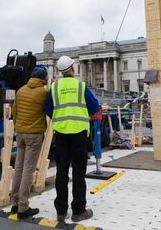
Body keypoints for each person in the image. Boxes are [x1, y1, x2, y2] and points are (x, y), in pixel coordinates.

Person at [45, 56, 99, 222]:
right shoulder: (81, 86)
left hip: (61, 134)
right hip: (79, 133)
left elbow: (48, 109)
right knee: (78, 172)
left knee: (61, 171)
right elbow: (94, 107)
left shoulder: (54, 87)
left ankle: (61, 212)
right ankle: (78, 211)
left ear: (60, 72)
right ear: (72, 69)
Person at [10, 66, 49, 219]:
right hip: (34, 134)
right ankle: (23, 207)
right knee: (28, 169)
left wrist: (18, 128)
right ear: (43, 78)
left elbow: (14, 111)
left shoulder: (20, 90)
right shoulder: (43, 93)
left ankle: (14, 203)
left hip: (20, 133)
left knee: (18, 167)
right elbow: (49, 110)